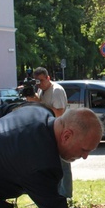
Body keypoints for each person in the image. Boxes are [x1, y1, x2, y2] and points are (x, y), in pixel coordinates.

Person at [30, 67, 72, 198]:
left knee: (63, 165)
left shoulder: (56, 90)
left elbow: (59, 112)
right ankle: (56, 193)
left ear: (48, 78)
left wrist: (38, 102)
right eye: (37, 81)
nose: (39, 84)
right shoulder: (41, 90)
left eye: (41, 80)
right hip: (49, 131)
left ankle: (65, 195)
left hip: (60, 131)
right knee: (52, 164)